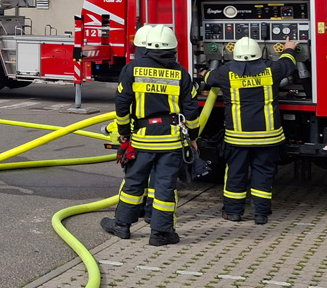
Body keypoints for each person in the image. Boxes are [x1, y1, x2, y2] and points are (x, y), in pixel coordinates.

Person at [101, 24, 200, 246]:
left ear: (146, 47)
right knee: (165, 185)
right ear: (173, 47)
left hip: (142, 138)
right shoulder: (181, 73)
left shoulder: (132, 69)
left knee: (134, 182)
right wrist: (193, 136)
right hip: (172, 139)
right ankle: (160, 233)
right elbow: (191, 111)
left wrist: (124, 134)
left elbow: (122, 104)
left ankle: (122, 226)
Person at [204, 35, 299, 224]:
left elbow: (208, 77)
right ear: (259, 53)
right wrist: (288, 48)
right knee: (263, 172)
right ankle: (261, 214)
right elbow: (288, 64)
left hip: (238, 138)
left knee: (235, 173)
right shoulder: (272, 70)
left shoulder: (226, 72)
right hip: (268, 137)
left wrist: (205, 74)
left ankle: (233, 212)